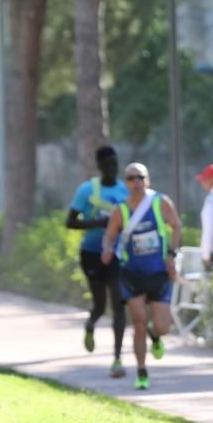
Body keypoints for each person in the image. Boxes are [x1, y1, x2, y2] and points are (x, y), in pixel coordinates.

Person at [100, 163, 181, 390]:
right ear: (125, 182)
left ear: (148, 179)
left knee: (163, 327)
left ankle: (156, 338)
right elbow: (109, 235)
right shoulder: (120, 210)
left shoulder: (160, 202)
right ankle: (142, 372)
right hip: (131, 274)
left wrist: (172, 255)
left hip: (158, 273)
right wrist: (107, 248)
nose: (136, 181)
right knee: (139, 323)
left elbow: (176, 225)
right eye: (131, 178)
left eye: (140, 177)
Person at [67, 145, 129, 378]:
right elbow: (70, 222)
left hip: (116, 253)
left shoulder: (125, 190)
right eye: (107, 165)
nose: (112, 168)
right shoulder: (87, 190)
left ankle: (117, 358)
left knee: (119, 303)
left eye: (115, 164)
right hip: (91, 252)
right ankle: (91, 324)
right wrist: (97, 223)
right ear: (100, 166)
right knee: (101, 306)